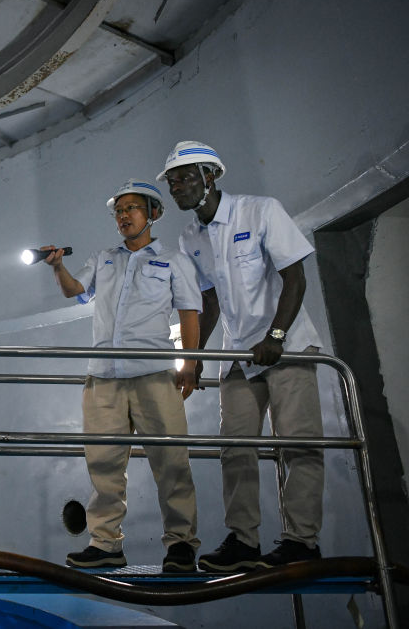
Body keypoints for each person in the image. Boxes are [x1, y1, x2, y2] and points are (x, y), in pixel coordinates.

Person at [158, 140, 324, 572]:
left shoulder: (261, 210)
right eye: (172, 182)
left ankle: (301, 541)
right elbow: (208, 303)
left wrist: (276, 335)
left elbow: (295, 277)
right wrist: (192, 359)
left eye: (185, 178)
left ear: (211, 176)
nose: (177, 187)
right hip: (239, 354)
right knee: (234, 446)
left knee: (298, 444)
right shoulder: (190, 237)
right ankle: (243, 541)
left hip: (286, 346)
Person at [41, 180, 202, 573]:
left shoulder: (174, 261)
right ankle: (106, 543)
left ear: (153, 213)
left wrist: (190, 364)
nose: (123, 216)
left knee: (171, 463)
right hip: (104, 377)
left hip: (154, 374)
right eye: (118, 210)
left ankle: (181, 544)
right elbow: (75, 290)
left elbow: (189, 314)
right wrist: (58, 267)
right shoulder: (104, 258)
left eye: (131, 208)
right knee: (104, 464)